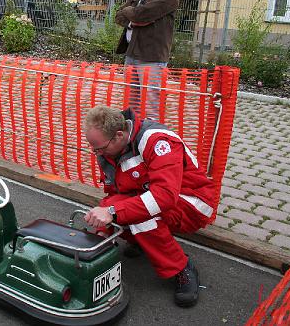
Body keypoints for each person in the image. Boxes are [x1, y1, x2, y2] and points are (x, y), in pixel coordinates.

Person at [83, 106, 218, 308]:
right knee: (112, 206)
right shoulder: (110, 148)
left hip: (193, 202)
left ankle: (182, 269)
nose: (97, 153)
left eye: (100, 148)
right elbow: (116, 195)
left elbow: (163, 197)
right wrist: (103, 232)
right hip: (160, 197)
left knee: (139, 217)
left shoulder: (157, 141)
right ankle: (140, 241)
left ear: (119, 135)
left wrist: (112, 213)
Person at [115, 0, 179, 121]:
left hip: (151, 57)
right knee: (131, 107)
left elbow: (141, 14)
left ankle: (151, 142)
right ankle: (134, 142)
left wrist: (136, 14)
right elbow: (119, 15)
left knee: (150, 108)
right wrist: (135, 17)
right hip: (132, 52)